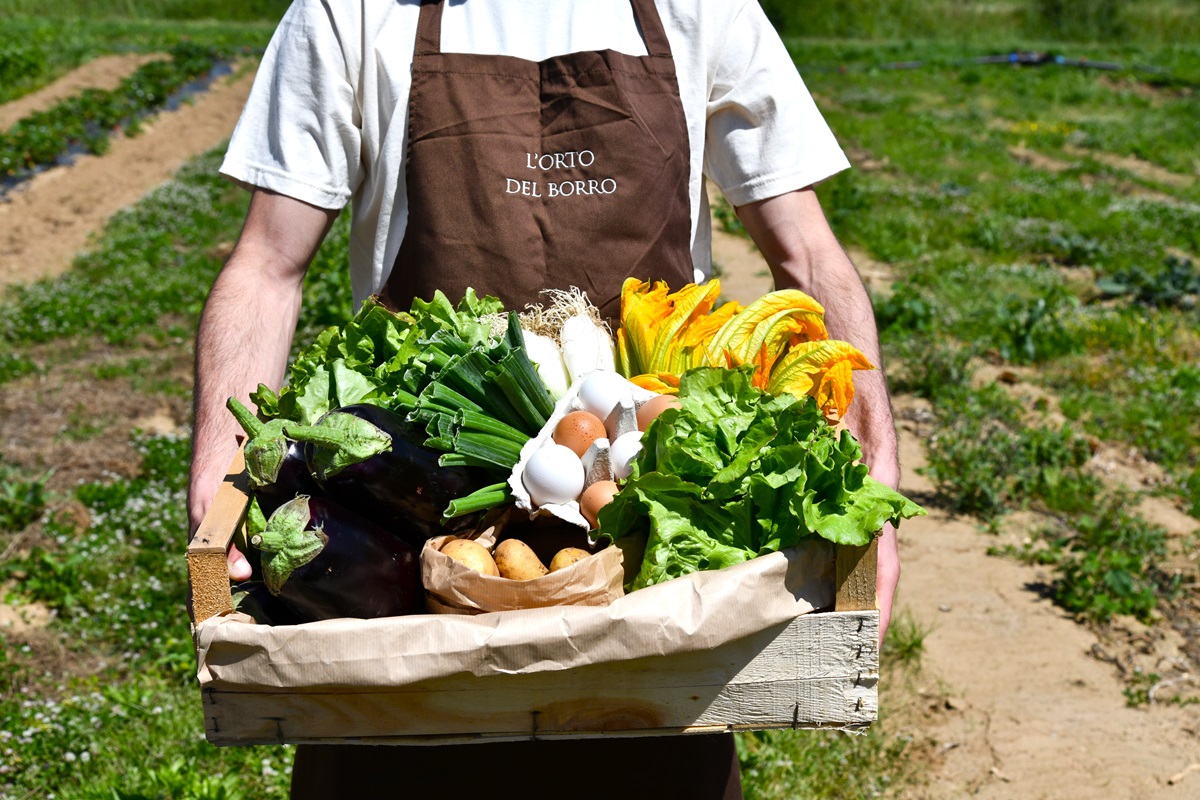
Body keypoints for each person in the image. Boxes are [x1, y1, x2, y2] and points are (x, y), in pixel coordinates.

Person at [187, 0, 901, 796]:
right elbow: (267, 265)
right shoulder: (349, 12)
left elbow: (807, 255)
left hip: (648, 566)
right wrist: (217, 486)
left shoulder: (700, 8)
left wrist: (873, 487)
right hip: (414, 554)